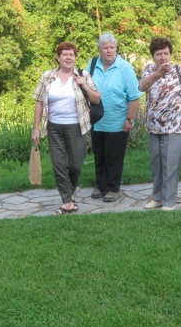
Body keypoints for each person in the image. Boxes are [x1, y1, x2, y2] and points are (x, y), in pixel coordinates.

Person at [32, 42, 101, 215]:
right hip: (54, 127)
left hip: (77, 126)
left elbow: (96, 99)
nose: (68, 57)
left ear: (75, 58)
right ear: (58, 58)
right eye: (65, 54)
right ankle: (67, 202)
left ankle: (70, 193)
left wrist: (84, 85)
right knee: (59, 164)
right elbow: (39, 102)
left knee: (76, 165)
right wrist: (36, 129)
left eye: (71, 55)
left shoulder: (83, 75)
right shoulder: (47, 76)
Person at [139, 37, 181, 211]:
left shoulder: (180, 70)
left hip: (175, 127)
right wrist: (159, 73)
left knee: (170, 165)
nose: (163, 57)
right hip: (153, 127)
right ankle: (158, 198)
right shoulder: (149, 70)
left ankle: (169, 202)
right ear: (153, 56)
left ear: (170, 54)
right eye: (159, 54)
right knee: (156, 165)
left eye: (166, 53)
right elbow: (142, 87)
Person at [87, 32, 142, 202]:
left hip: (118, 122)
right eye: (105, 48)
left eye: (112, 47)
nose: (109, 51)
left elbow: (134, 96)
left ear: (116, 49)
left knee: (113, 156)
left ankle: (112, 188)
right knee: (99, 155)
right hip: (96, 121)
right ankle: (100, 185)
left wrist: (129, 119)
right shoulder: (92, 64)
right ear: (100, 50)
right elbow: (84, 88)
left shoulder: (124, 68)